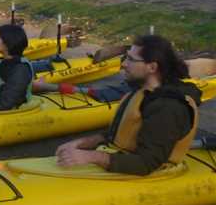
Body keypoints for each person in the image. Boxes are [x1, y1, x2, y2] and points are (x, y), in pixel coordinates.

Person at [54, 35, 202, 175]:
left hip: (152, 173)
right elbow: (120, 133)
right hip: (121, 156)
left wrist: (92, 157)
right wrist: (81, 143)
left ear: (152, 67)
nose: (123, 64)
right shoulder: (143, 91)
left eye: (131, 59)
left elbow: (147, 163)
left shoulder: (168, 107)